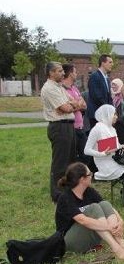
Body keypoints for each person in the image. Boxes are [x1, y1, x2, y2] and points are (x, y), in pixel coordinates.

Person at [55, 162, 124, 259]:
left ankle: (122, 244)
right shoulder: (65, 198)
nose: (91, 176)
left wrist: (121, 221)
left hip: (89, 235)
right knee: (94, 208)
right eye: (90, 174)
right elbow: (82, 220)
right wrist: (109, 227)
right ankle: (116, 249)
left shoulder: (89, 191)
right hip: (70, 241)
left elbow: (108, 207)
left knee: (104, 204)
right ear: (82, 179)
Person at [84, 104, 124, 211]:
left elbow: (115, 145)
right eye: (114, 114)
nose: (116, 117)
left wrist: (122, 146)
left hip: (116, 158)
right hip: (105, 163)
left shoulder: (111, 128)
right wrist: (103, 153)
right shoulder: (97, 129)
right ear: (107, 115)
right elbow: (86, 150)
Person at [41, 61, 77, 202]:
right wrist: (71, 106)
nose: (63, 73)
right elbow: (66, 108)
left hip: (68, 125)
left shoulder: (60, 87)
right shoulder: (50, 88)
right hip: (59, 127)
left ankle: (68, 189)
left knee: (70, 160)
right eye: (60, 71)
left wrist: (71, 105)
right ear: (51, 73)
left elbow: (77, 102)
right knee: (60, 163)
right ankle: (58, 194)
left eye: (63, 71)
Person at [61, 63, 91, 168]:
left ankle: (81, 176)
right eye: (75, 72)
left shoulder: (75, 88)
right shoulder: (62, 89)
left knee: (86, 154)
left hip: (80, 127)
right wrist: (78, 104)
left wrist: (76, 104)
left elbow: (85, 105)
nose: (76, 74)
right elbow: (67, 107)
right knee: (71, 156)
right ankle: (72, 178)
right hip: (70, 127)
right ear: (70, 74)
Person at [87, 54, 114, 127]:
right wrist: (108, 110)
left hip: (105, 114)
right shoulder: (95, 77)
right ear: (103, 63)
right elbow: (97, 97)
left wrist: (112, 111)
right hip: (97, 115)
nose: (112, 64)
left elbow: (109, 97)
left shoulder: (107, 79)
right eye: (110, 62)